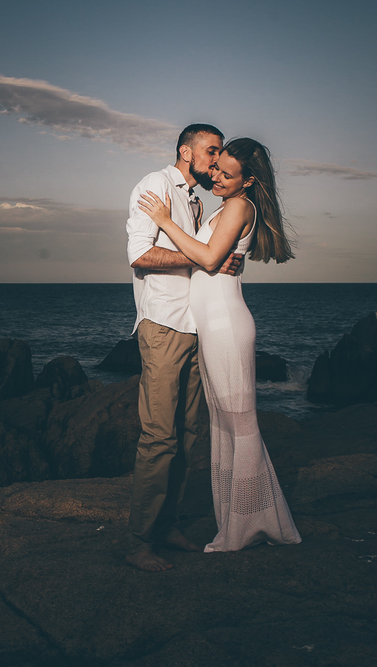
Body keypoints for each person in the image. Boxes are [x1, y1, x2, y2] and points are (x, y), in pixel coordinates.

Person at [137, 137, 301, 552]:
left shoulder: (240, 206)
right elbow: (214, 256)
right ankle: (240, 519)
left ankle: (248, 526)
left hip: (226, 325)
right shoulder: (226, 207)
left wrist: (165, 221)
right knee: (224, 426)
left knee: (240, 425)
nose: (217, 177)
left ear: (248, 181)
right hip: (209, 325)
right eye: (217, 169)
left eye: (227, 175)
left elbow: (209, 260)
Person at [123, 123, 242, 572]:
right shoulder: (155, 186)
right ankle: (138, 544)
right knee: (159, 438)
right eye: (211, 151)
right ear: (186, 152)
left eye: (220, 152)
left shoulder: (196, 199)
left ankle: (167, 527)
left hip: (195, 325)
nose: (217, 159)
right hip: (164, 324)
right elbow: (140, 255)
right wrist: (205, 256)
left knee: (189, 434)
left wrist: (222, 259)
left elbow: (205, 257)